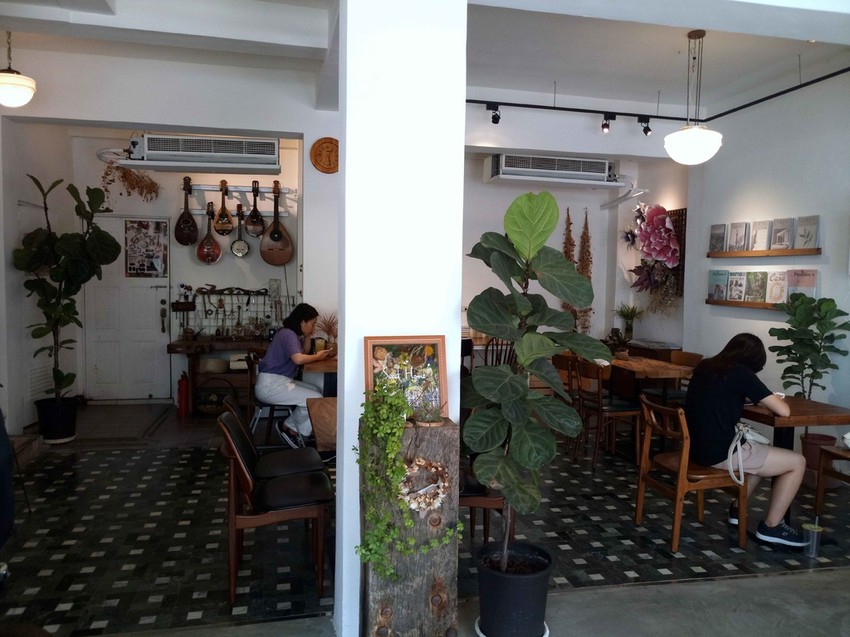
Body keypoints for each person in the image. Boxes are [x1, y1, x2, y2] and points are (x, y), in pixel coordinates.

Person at [685, 333, 806, 547]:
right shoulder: (741, 372)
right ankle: (772, 527)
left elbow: (722, 394)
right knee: (797, 462)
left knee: (760, 453)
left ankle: (737, 509)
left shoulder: (706, 366)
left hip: (696, 448)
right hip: (720, 452)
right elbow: (784, 411)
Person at [255, 303, 332, 448]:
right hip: (271, 386)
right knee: (315, 399)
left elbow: (303, 352)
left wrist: (308, 335)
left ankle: (292, 428)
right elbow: (298, 359)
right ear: (302, 322)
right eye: (312, 324)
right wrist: (318, 356)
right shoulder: (288, 334)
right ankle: (290, 429)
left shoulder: (289, 333)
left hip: (277, 381)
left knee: (316, 391)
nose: (314, 327)